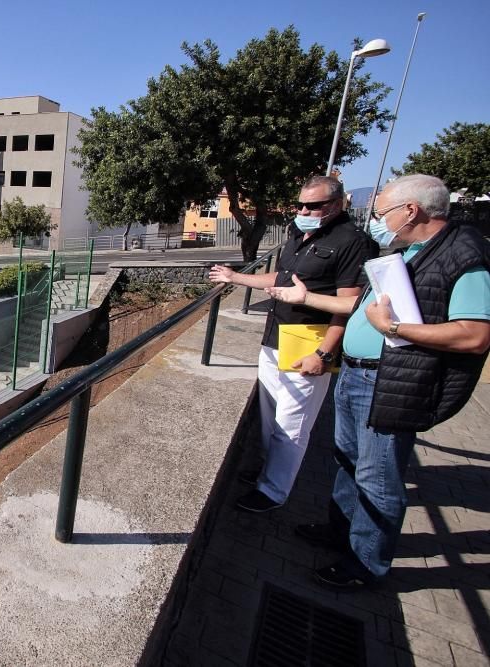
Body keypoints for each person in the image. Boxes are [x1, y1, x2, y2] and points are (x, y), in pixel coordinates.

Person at [266, 174, 490, 588]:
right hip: (357, 371)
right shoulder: (410, 250)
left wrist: (397, 328)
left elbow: (475, 336)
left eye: (382, 211)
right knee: (348, 461)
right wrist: (307, 299)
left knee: (380, 477)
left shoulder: (464, 256)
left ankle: (365, 565)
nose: (376, 219)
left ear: (411, 210)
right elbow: (360, 306)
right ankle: (341, 534)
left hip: (391, 381)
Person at [210, 176, 375, 513]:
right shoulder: (299, 234)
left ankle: (273, 491)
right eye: (301, 204)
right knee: (270, 416)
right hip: (275, 337)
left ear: (338, 204)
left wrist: (324, 353)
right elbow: (280, 279)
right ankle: (269, 470)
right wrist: (235, 277)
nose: (303, 211)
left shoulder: (353, 242)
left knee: (292, 424)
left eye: (313, 206)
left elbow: (351, 305)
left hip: (309, 343)